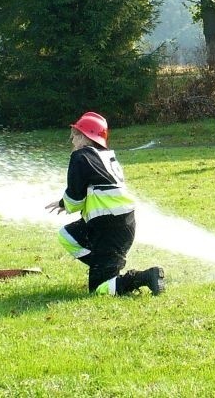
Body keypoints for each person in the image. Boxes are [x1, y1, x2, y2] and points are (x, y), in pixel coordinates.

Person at [46, 111, 165, 296]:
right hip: (117, 224)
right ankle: (105, 266)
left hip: (109, 228)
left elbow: (76, 199)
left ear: (86, 137)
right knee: (67, 235)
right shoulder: (102, 156)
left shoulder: (80, 157)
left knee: (100, 289)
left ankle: (145, 276)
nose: (72, 140)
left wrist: (66, 204)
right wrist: (63, 202)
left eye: (75, 135)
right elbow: (91, 187)